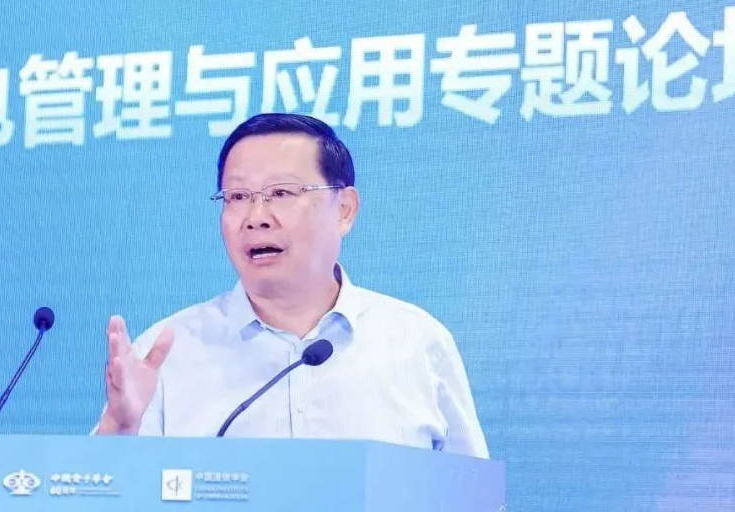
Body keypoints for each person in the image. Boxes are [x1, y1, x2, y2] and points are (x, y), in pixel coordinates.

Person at [94, 113, 488, 458]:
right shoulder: (166, 353)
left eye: (281, 193)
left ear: (345, 210)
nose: (256, 217)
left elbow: (474, 497)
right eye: (237, 196)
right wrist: (120, 428)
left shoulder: (417, 342)